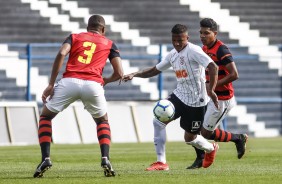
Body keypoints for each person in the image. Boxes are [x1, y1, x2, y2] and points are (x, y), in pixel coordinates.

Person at [33, 15, 123, 178]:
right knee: (102, 121)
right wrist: (106, 80)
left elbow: (62, 53)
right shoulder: (109, 43)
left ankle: (45, 158)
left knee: (45, 117)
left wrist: (51, 83)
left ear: (88, 27)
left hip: (70, 82)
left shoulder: (74, 37)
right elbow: (120, 73)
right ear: (103, 29)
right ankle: (105, 158)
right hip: (93, 84)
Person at [123, 24, 219, 171]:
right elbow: (155, 70)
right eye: (174, 40)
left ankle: (211, 149)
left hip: (196, 101)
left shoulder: (194, 51)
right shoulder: (172, 54)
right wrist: (135, 74)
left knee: (190, 139)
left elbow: (213, 67)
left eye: (180, 40)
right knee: (158, 121)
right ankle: (161, 162)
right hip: (179, 96)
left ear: (187, 38)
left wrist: (211, 90)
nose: (177, 43)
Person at [187, 18, 248, 169]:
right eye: (201, 33)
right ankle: (200, 157)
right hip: (208, 96)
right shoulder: (204, 49)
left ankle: (238, 138)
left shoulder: (222, 50)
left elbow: (234, 74)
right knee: (193, 126)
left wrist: (212, 86)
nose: (202, 36)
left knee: (206, 133)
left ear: (215, 33)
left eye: (206, 33)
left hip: (222, 99)